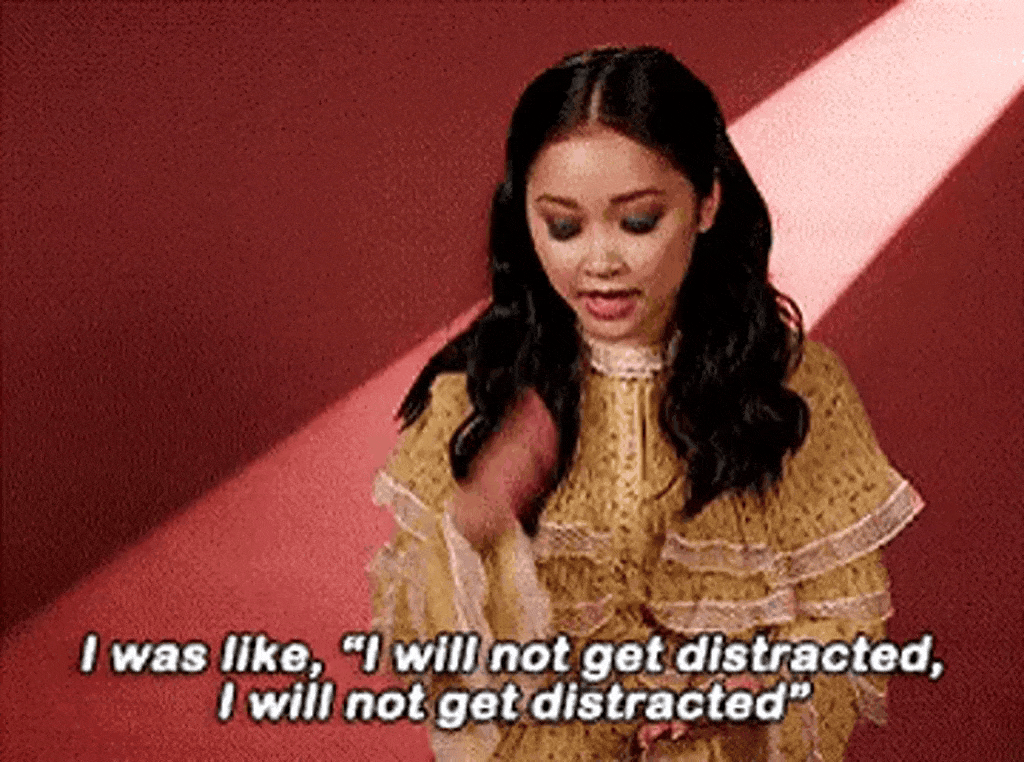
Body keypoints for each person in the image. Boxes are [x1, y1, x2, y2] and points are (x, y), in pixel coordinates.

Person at [367, 46, 924, 761]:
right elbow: (433, 667)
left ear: (707, 202)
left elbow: (840, 632)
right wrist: (477, 521)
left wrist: (745, 701)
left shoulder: (790, 385)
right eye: (563, 227)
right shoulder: (480, 391)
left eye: (637, 222)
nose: (599, 262)